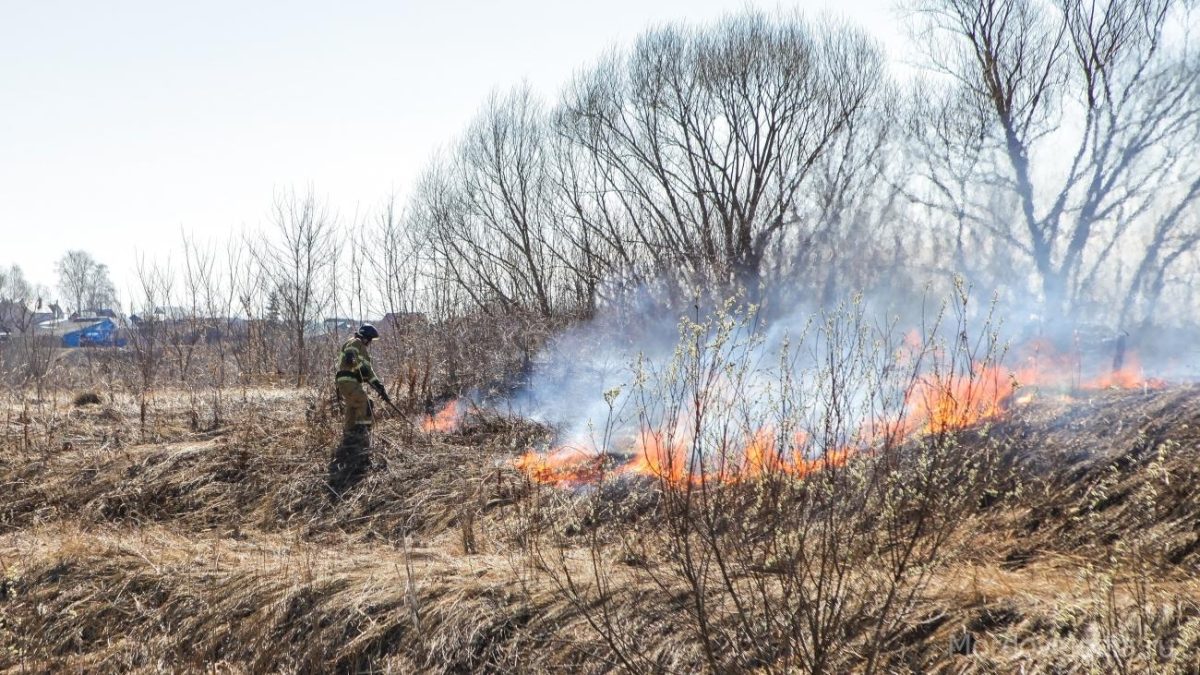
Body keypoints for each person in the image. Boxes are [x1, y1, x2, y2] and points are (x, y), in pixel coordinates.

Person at [329, 323, 388, 495]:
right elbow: (350, 357)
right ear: (365, 337)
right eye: (369, 339)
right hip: (348, 379)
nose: (369, 343)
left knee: (353, 407)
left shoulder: (362, 350)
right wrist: (357, 366)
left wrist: (379, 387)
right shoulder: (355, 343)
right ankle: (362, 434)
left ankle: (349, 437)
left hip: (349, 381)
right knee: (365, 403)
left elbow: (368, 371)